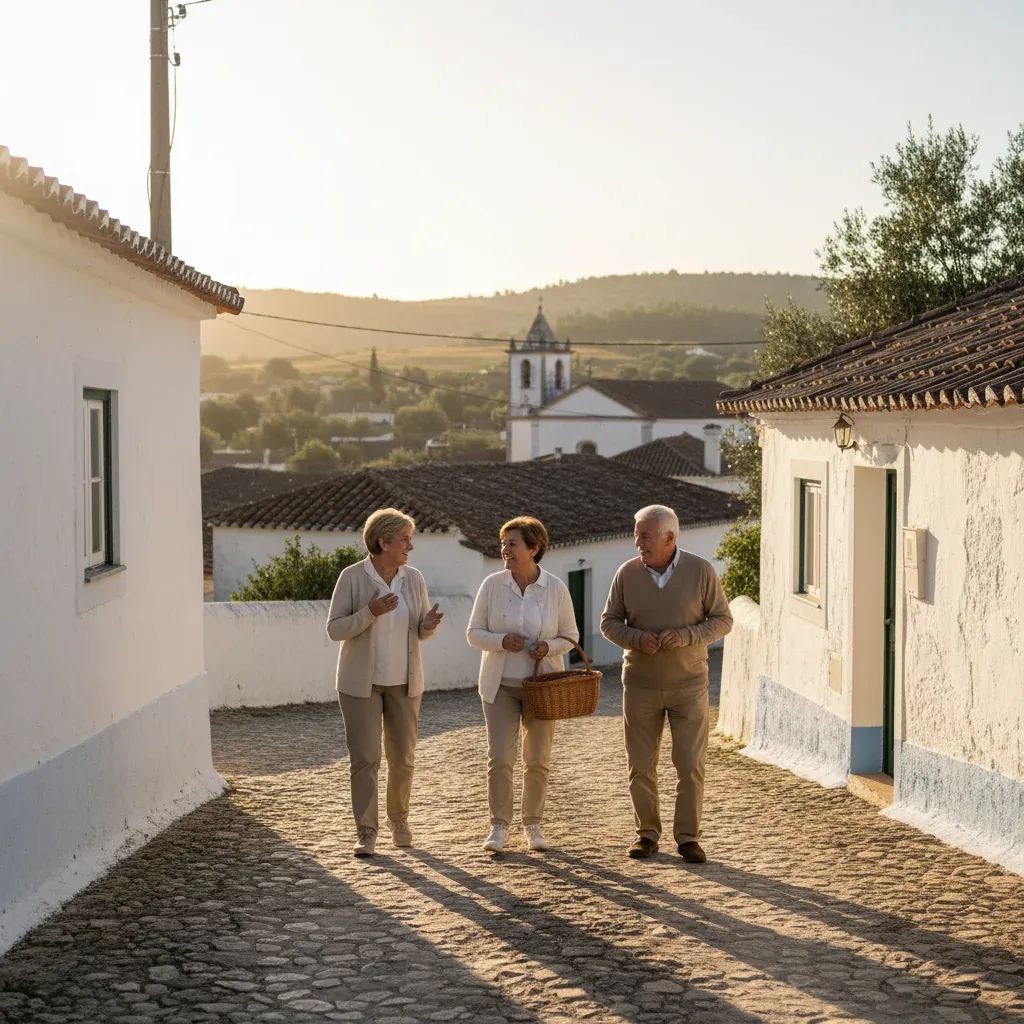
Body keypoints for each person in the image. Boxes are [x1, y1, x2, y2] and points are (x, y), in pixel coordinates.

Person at [600, 504, 732, 863]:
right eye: (637, 533)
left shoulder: (700, 571)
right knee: (640, 764)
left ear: (669, 538)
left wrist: (688, 635)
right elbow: (608, 623)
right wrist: (636, 638)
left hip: (689, 684)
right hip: (640, 685)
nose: (637, 541)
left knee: (689, 763)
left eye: (644, 535)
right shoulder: (626, 574)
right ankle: (647, 834)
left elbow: (723, 620)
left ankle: (688, 837)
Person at [326, 508, 444, 857]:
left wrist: (429, 624)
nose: (411, 545)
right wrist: (370, 613)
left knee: (403, 758)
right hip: (359, 684)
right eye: (405, 539)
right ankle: (366, 830)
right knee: (365, 758)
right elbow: (334, 629)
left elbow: (419, 631)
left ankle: (399, 821)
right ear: (384, 541)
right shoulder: (352, 577)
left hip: (404, 684)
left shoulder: (414, 579)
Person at [467, 516, 579, 853]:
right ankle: (498, 827)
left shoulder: (555, 588)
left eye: (512, 544)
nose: (505, 550)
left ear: (534, 548)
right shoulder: (491, 585)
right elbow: (473, 634)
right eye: (503, 543)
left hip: (543, 686)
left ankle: (533, 825)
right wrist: (501, 641)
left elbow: (571, 637)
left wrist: (548, 647)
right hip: (499, 685)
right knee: (500, 757)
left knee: (537, 758)